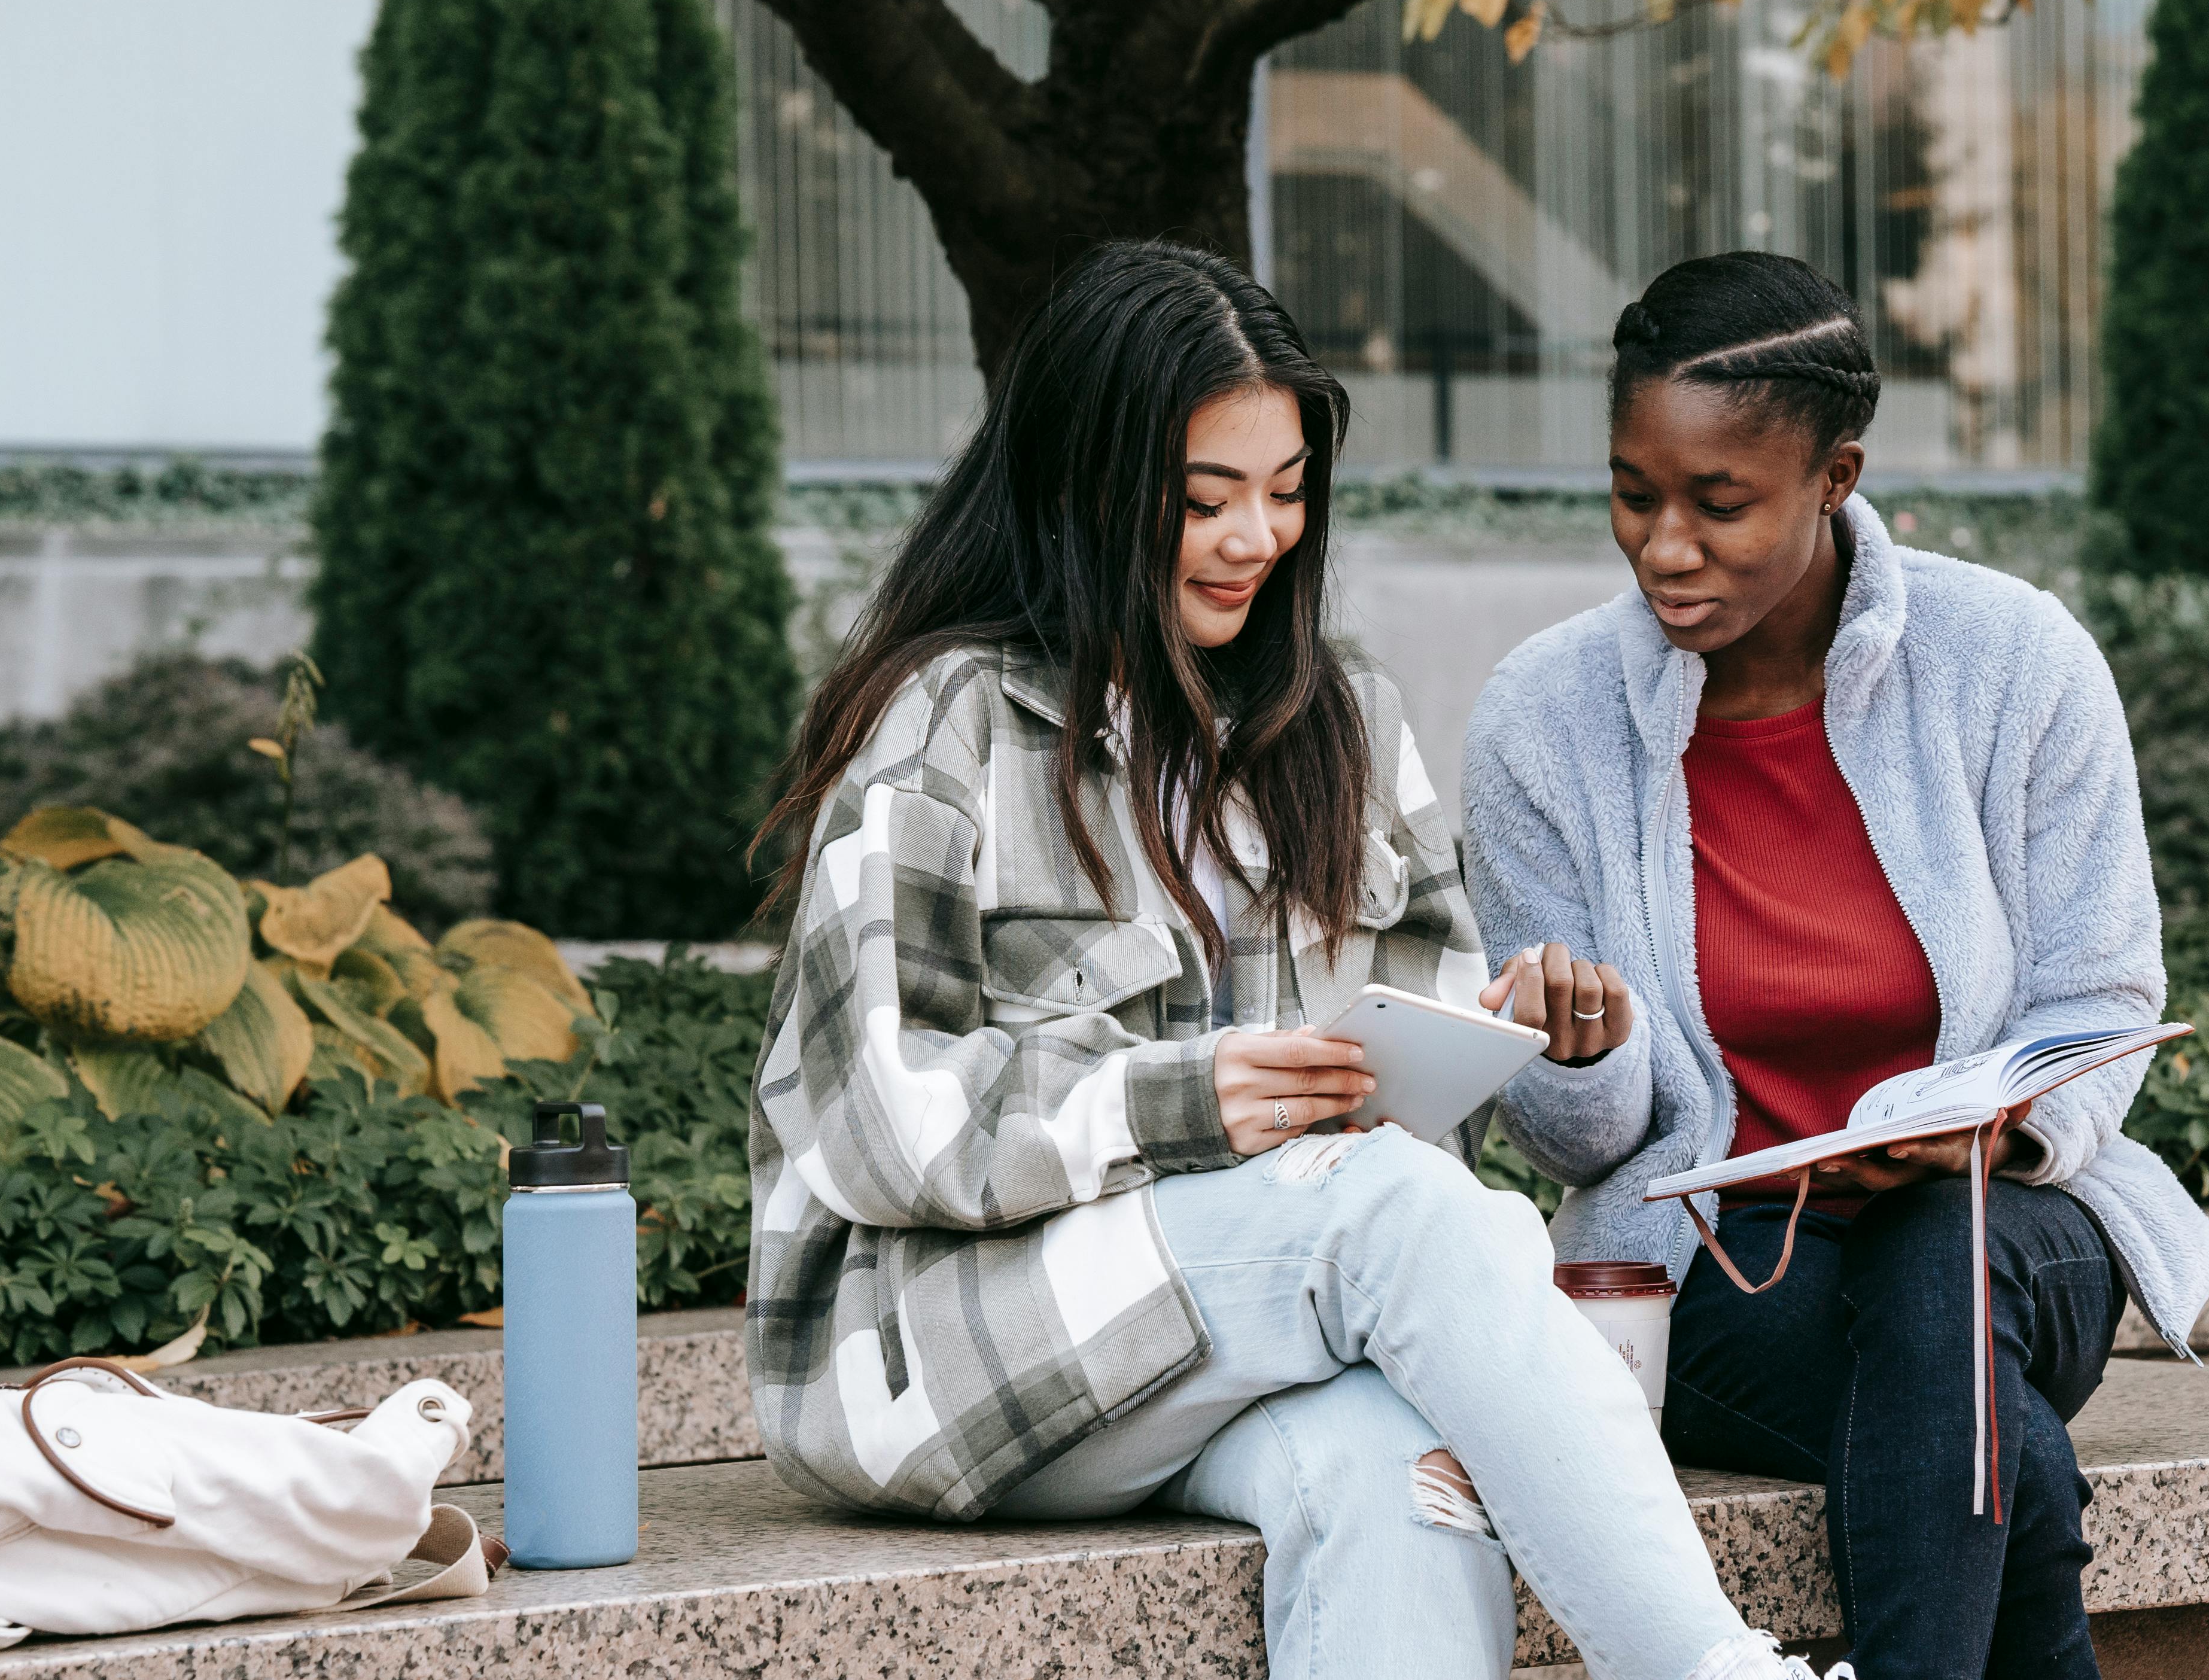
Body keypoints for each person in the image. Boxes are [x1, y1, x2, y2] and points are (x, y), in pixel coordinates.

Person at [745, 240, 1845, 1680]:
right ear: (1086, 485)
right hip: (940, 1354)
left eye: (1284, 491)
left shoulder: (1340, 719)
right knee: (1389, 1209)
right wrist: (1185, 1100)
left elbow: (1407, 1044)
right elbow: (875, 1118)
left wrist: (1504, 1030)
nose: (1254, 539)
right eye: (1203, 500)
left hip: (1226, 1331)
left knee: (1404, 1483)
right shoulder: (950, 727)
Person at [1459, 251, 2209, 1680]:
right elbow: (1577, 1144)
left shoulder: (2014, 662)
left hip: (2019, 1235)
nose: (1666, 547)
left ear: (1836, 475)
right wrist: (1580, 1053)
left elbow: (2104, 991)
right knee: (2013, 1466)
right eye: (1635, 493)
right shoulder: (1542, 721)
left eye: (1719, 503)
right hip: (1730, 1273)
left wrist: (1998, 1126)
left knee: (1947, 1244)